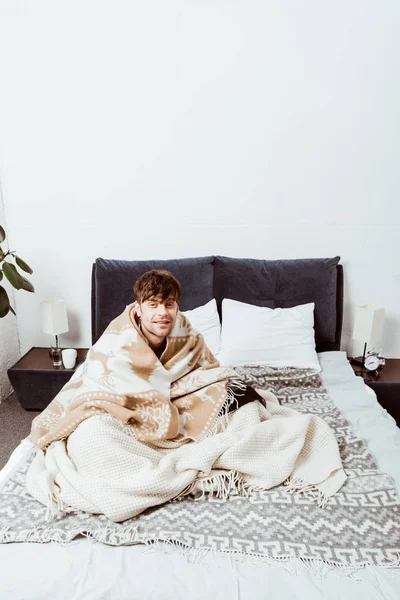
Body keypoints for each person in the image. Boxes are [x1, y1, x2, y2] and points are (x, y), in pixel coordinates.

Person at [25, 269, 346, 523]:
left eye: (169, 304)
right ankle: (146, 479)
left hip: (179, 401)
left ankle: (193, 460)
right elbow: (100, 379)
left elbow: (207, 369)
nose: (162, 312)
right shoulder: (117, 337)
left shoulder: (182, 331)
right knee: (91, 438)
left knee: (241, 401)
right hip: (120, 408)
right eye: (153, 304)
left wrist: (187, 388)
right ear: (138, 308)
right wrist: (146, 403)